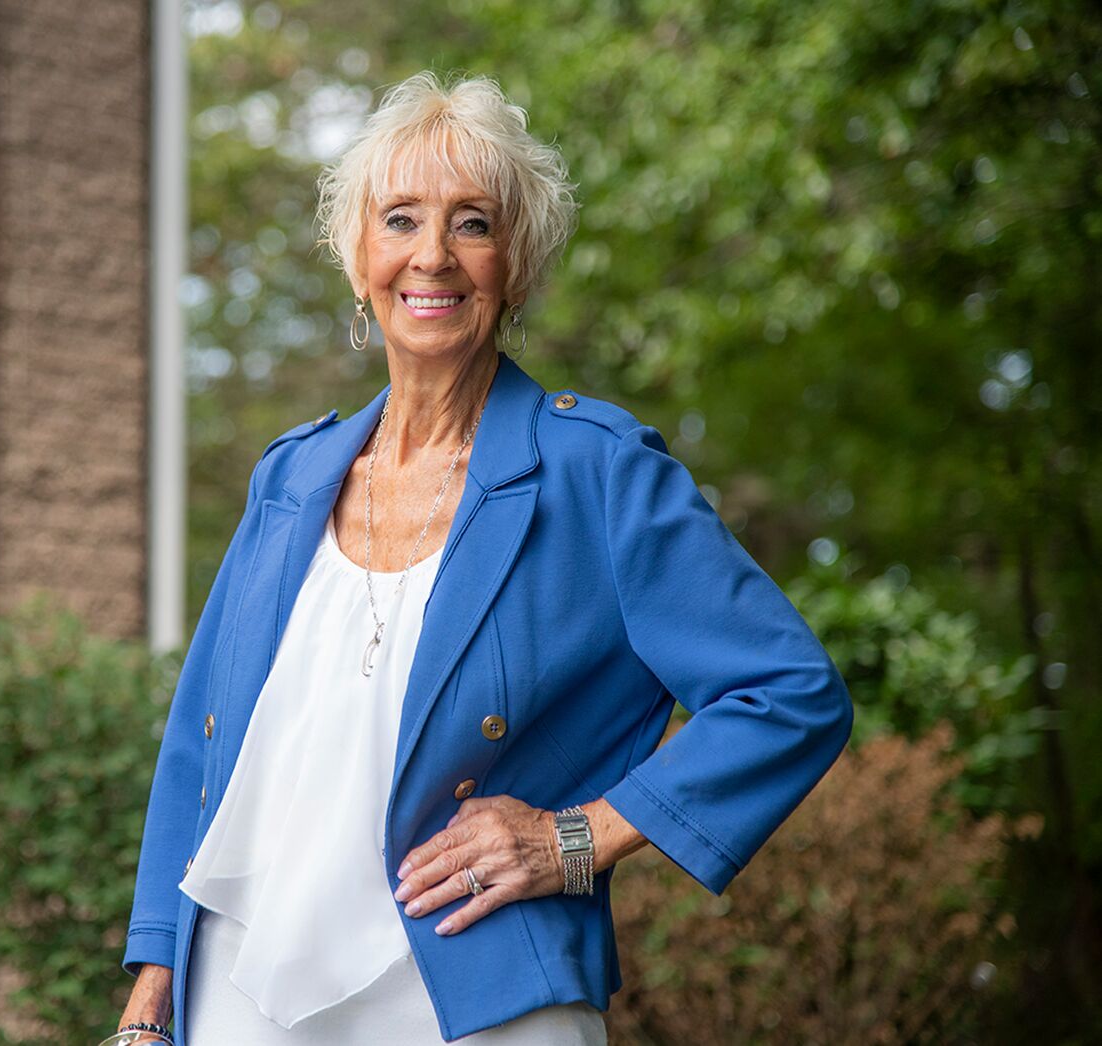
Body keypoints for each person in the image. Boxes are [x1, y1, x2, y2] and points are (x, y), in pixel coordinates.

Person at [109, 70, 854, 1046]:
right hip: (241, 992)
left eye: (472, 223)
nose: (432, 256)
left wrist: (574, 837)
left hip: (479, 994)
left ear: (518, 260)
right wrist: (148, 997)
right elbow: (197, 751)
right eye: (401, 218)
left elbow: (788, 692)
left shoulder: (598, 472)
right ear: (358, 253)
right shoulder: (289, 477)